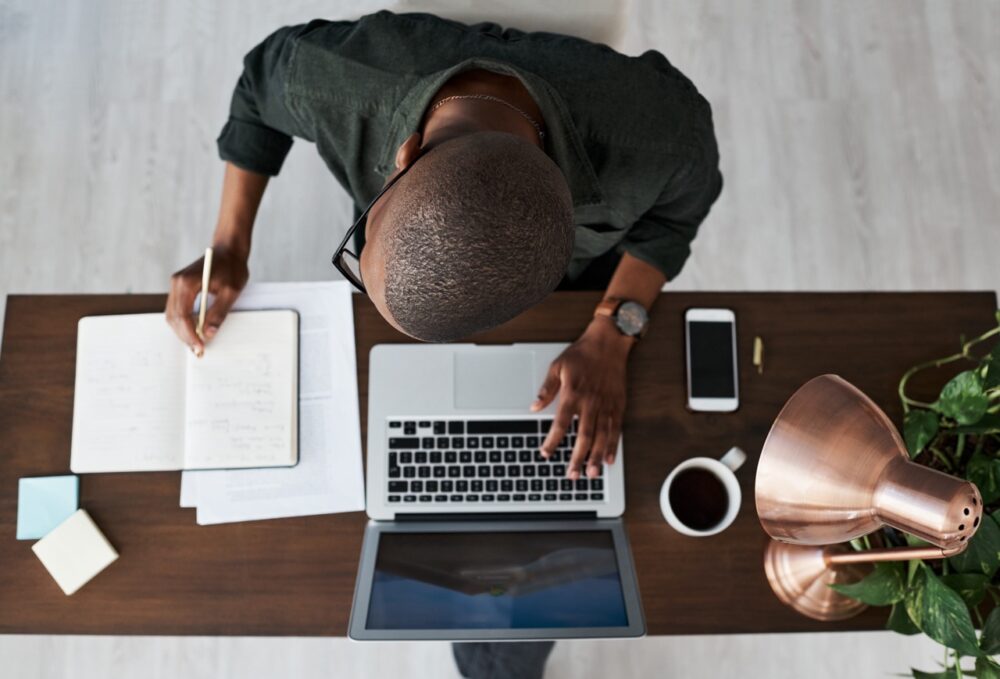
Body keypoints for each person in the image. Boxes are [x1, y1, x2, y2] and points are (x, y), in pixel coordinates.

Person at [165, 11, 721, 678]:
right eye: (359, 257)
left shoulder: (661, 134)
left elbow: (674, 218)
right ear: (402, 157)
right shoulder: (341, 77)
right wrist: (229, 244)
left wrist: (613, 327)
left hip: (578, 308)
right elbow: (257, 89)